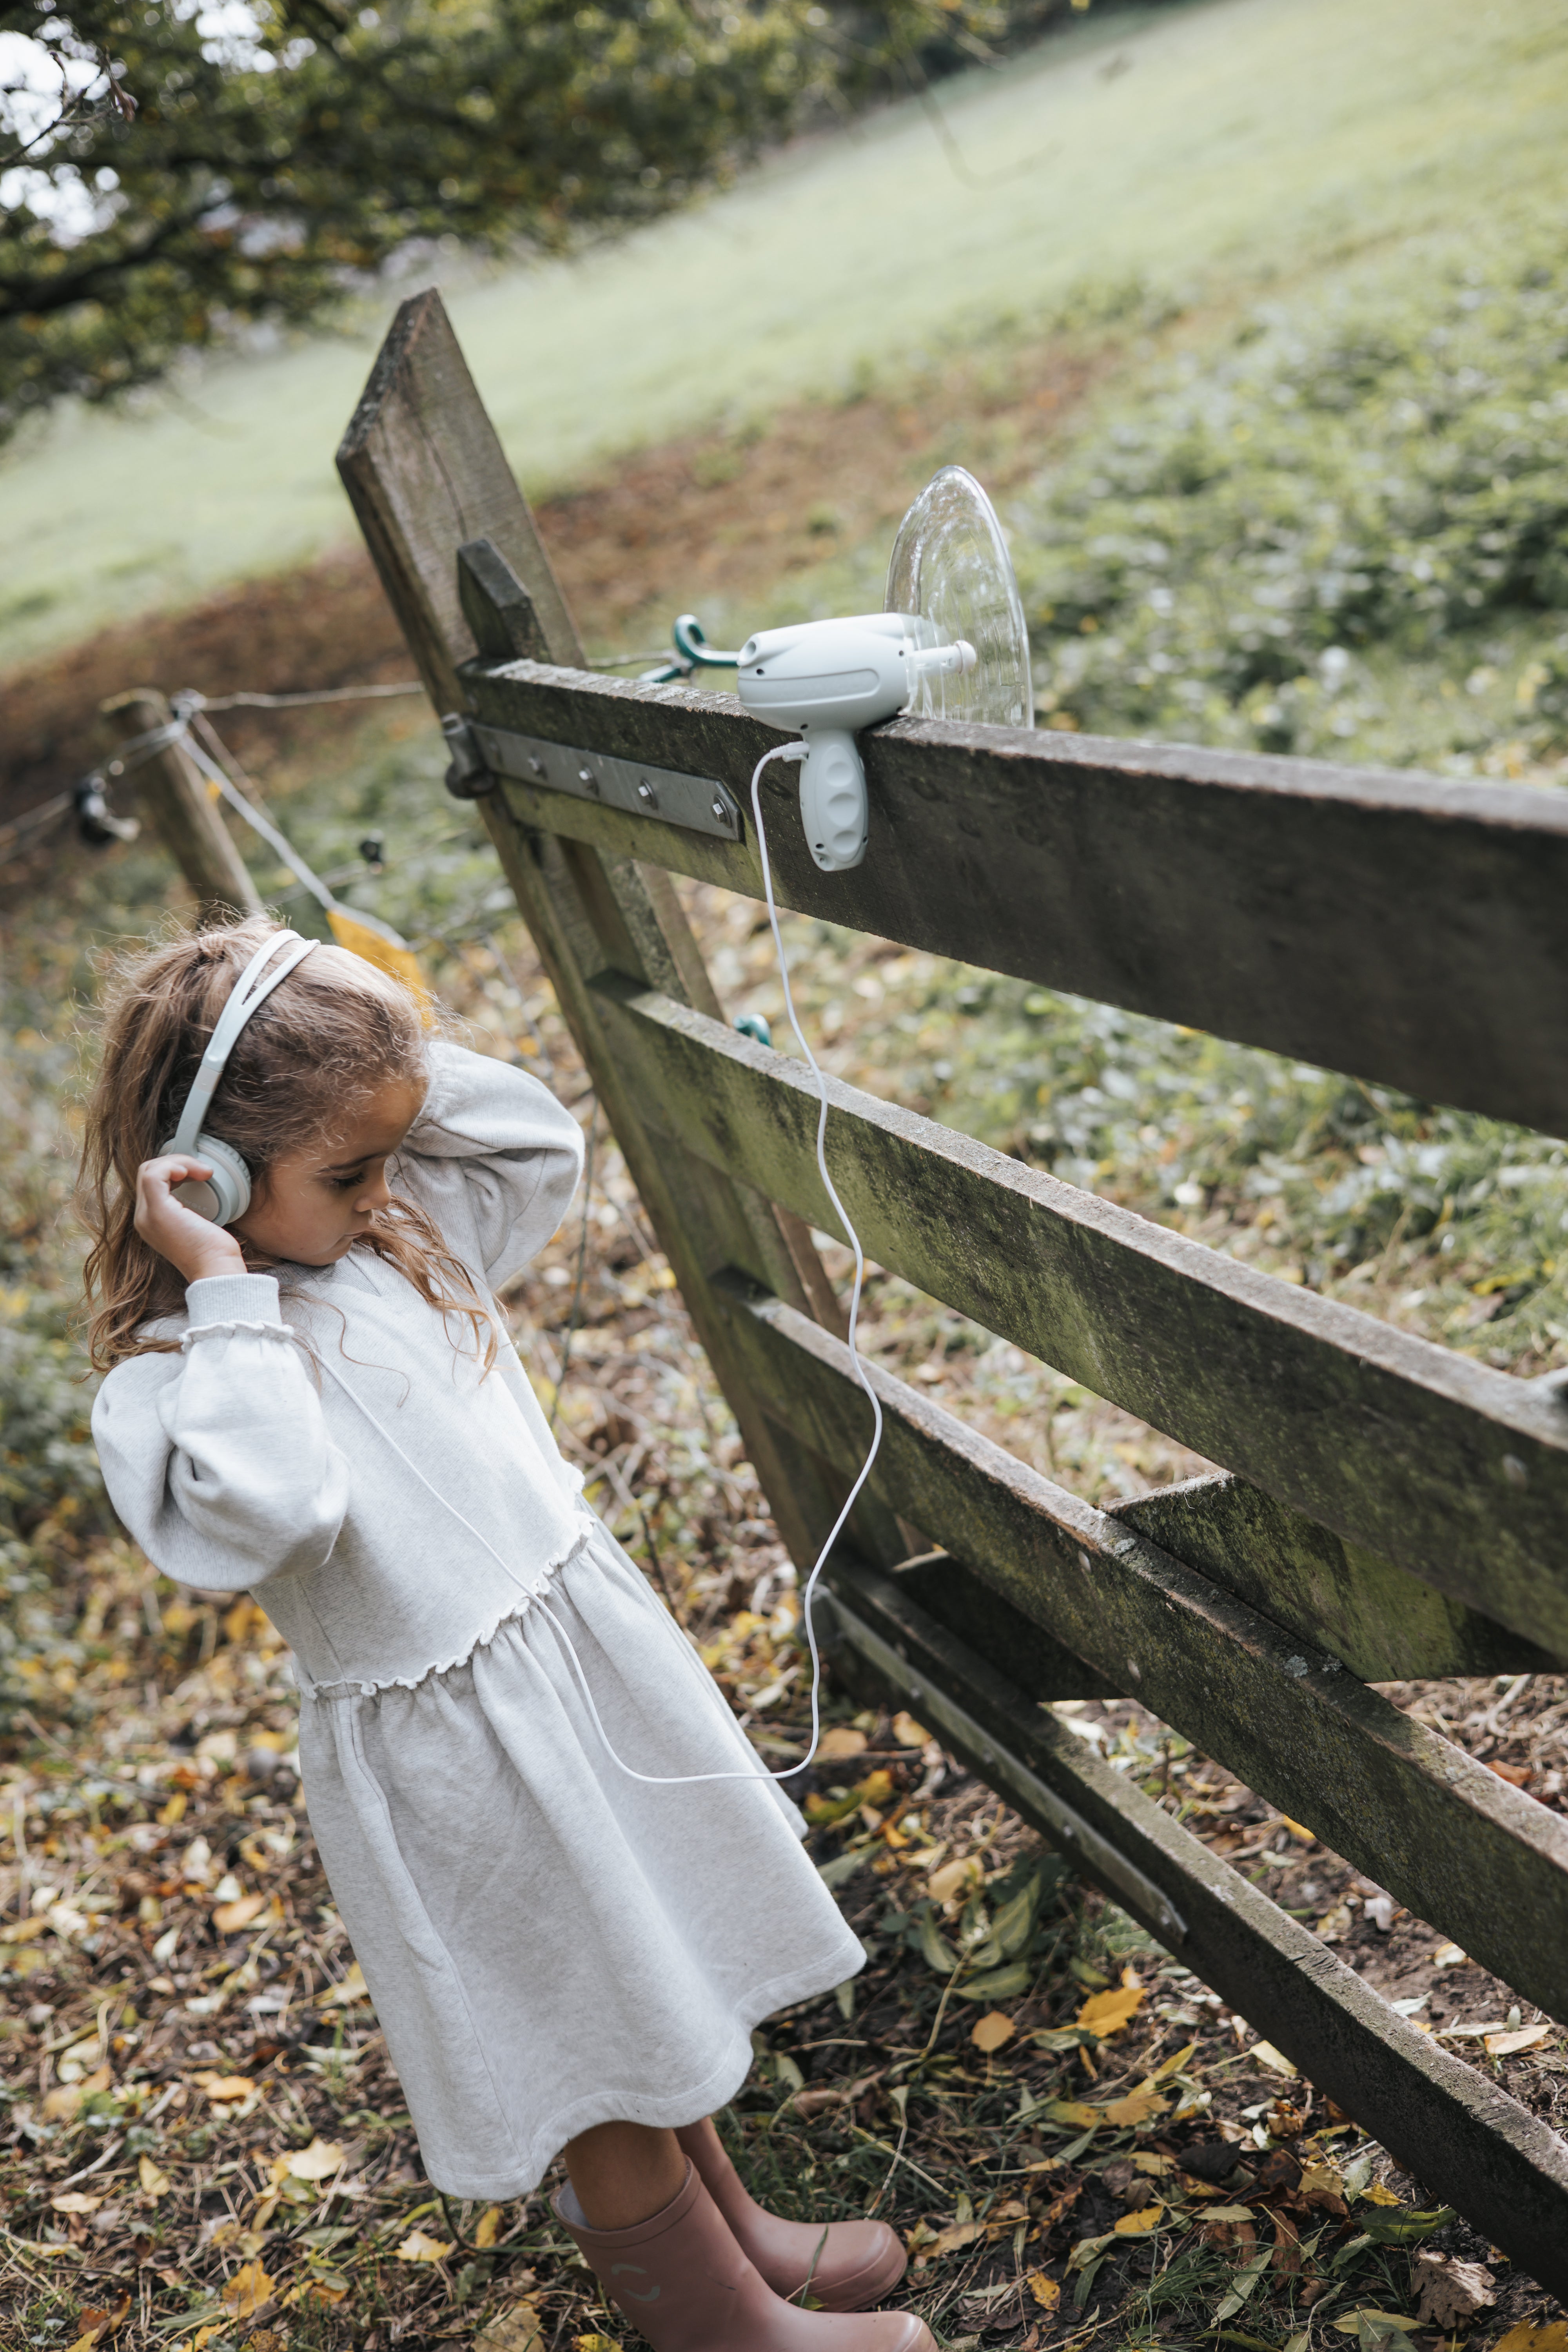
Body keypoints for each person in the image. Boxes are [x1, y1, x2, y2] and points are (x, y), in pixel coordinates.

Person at [81, 917, 932, 2352]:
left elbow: (538, 1150)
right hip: (463, 1764)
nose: (385, 1189)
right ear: (208, 1179)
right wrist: (222, 1284)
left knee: (645, 1967)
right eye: (348, 1171)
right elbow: (275, 1515)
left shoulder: (397, 1248)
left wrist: (379, 1032)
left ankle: (737, 2238)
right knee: (600, 2047)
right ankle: (726, 2333)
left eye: (391, 1155)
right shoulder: (180, 1381)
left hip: (569, 1674)